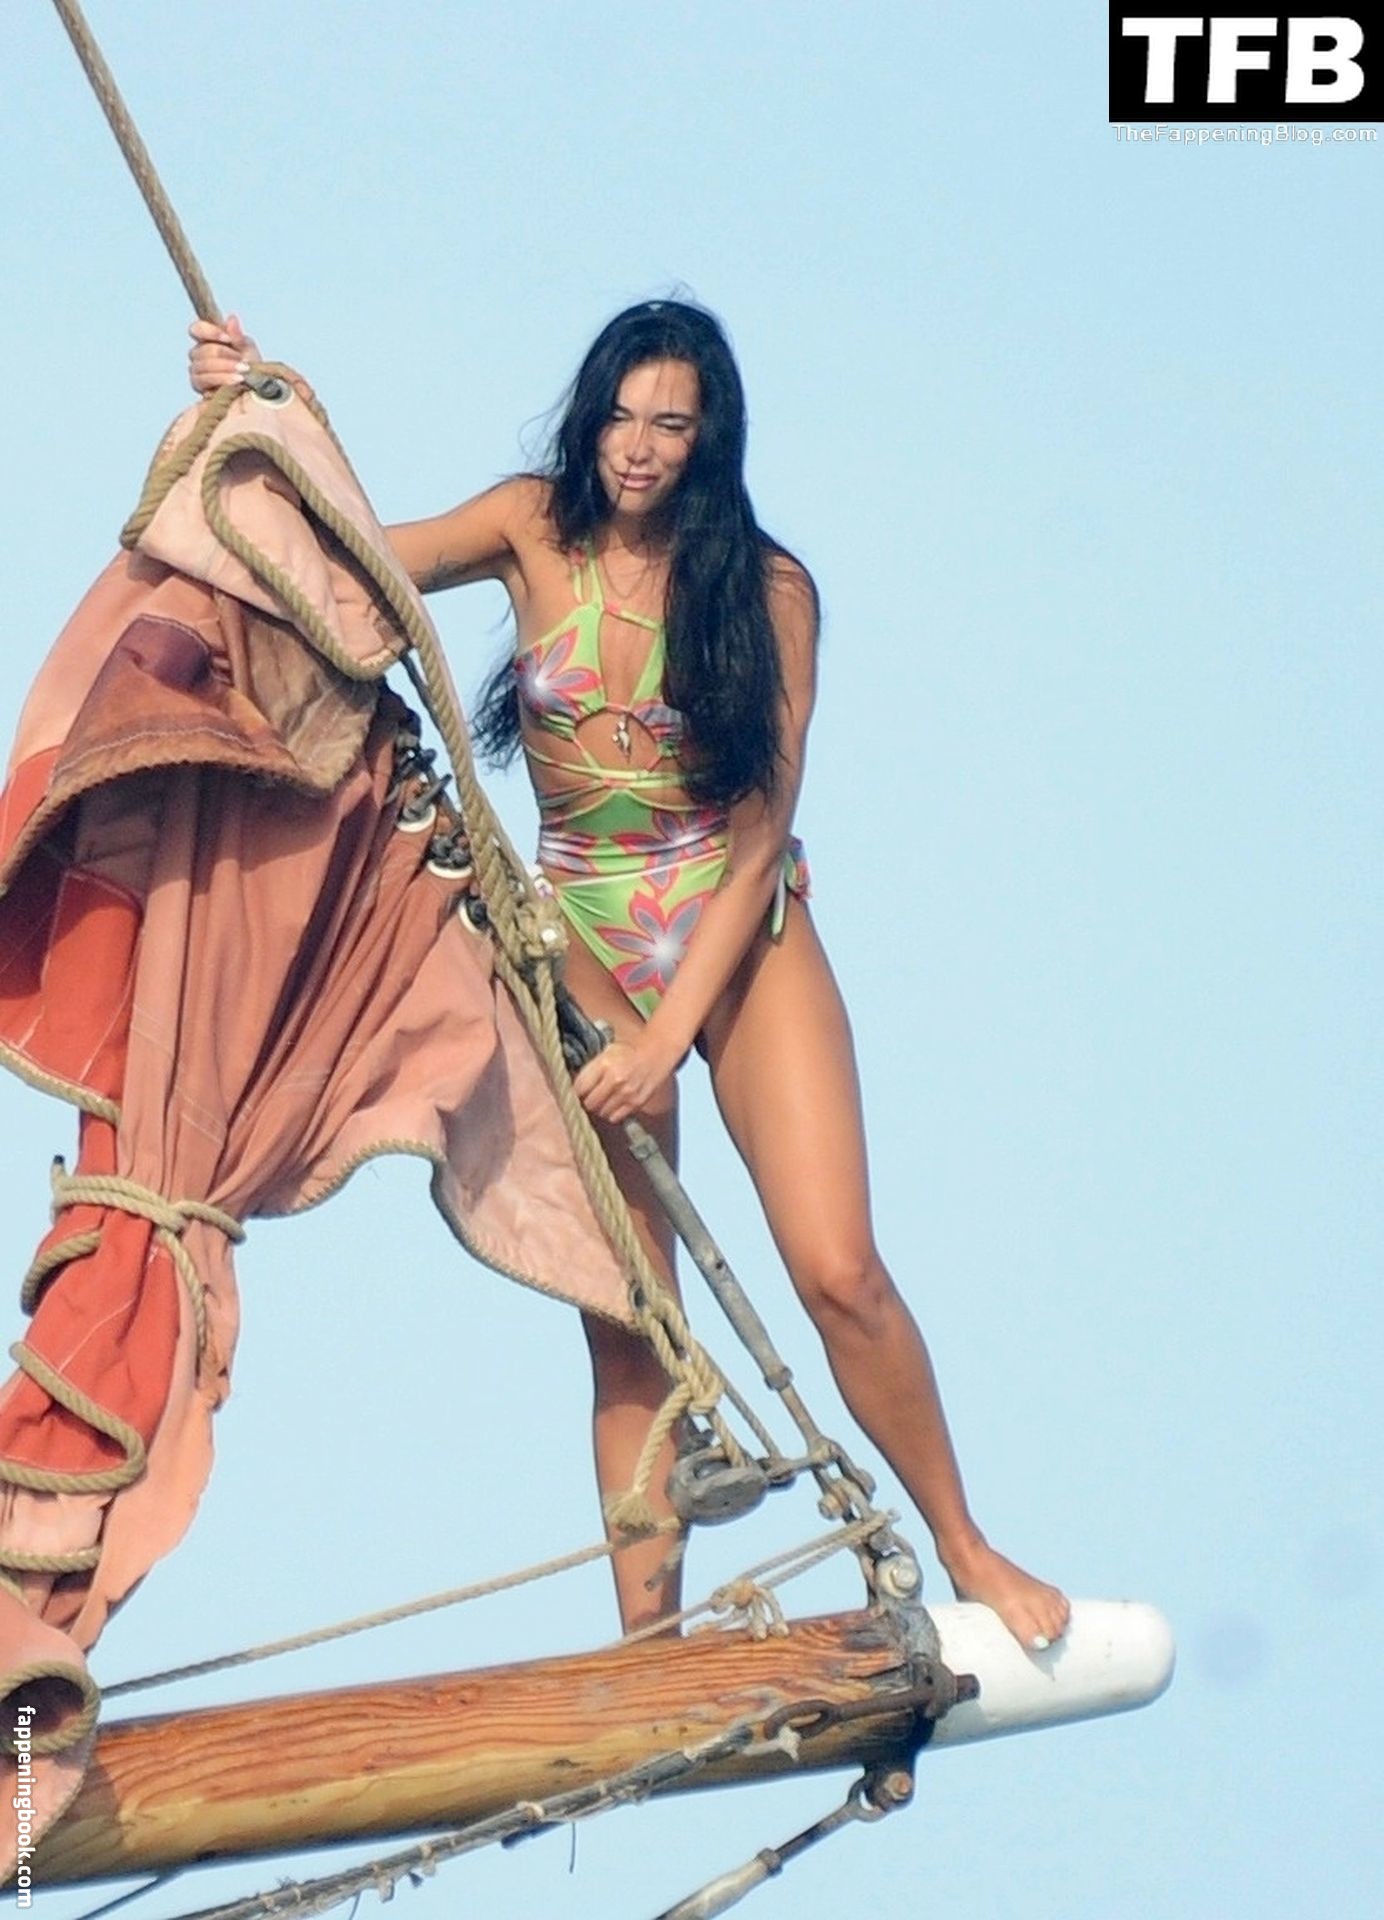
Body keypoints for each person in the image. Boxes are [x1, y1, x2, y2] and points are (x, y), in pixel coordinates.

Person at [189, 301, 1069, 1652]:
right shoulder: (530, 526)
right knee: (630, 1313)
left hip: (738, 926)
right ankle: (648, 1649)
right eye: (621, 416)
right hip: (582, 932)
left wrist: (668, 1039)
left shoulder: (768, 590)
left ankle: (967, 1543)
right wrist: (252, 415)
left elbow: (761, 833)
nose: (639, 447)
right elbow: (348, 557)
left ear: (710, 440)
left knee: (841, 1272)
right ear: (590, 415)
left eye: (671, 424)